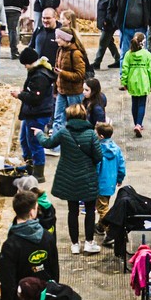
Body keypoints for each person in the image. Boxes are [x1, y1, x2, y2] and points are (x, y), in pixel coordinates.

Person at [36, 104, 101, 255]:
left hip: (68, 178)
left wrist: (39, 133)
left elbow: (48, 144)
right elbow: (98, 157)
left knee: (72, 211)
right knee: (90, 210)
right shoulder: (91, 134)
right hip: (87, 178)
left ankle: (75, 244)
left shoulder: (64, 132)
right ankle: (89, 243)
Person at [14, 23, 56, 182]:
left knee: (35, 142)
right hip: (32, 113)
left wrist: (19, 95)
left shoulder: (39, 76)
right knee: (25, 140)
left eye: (25, 64)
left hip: (38, 113)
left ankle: (39, 172)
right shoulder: (36, 72)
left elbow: (35, 97)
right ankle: (30, 164)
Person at [52, 14, 89, 136]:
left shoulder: (76, 53)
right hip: (62, 91)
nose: (56, 40)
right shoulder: (60, 50)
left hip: (74, 92)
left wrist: (62, 73)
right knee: (58, 118)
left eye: (58, 38)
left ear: (66, 39)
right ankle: (56, 147)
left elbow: (80, 75)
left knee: (75, 120)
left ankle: (78, 142)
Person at [119, 31, 151, 137]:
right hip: (144, 81)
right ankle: (139, 124)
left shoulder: (128, 54)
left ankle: (136, 123)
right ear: (143, 43)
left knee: (134, 103)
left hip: (132, 81)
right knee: (142, 104)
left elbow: (125, 69)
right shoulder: (147, 54)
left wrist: (124, 82)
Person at [95, 122, 126, 225]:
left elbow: (97, 167)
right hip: (111, 183)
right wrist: (120, 178)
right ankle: (100, 226)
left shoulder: (98, 149)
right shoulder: (116, 149)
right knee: (105, 205)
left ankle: (110, 230)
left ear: (101, 136)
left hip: (100, 184)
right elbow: (121, 165)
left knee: (102, 209)